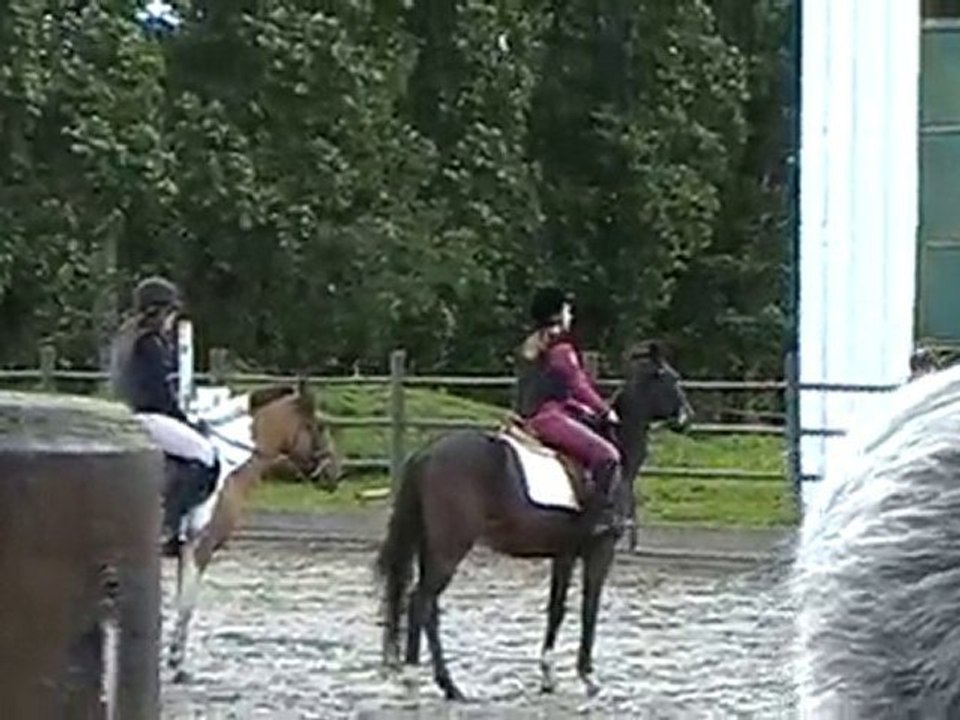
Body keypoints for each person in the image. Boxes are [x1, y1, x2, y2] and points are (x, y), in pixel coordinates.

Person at [110, 275, 219, 546]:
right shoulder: (150, 343)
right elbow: (160, 395)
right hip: (148, 417)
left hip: (130, 414)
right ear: (159, 311)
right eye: (170, 313)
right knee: (207, 456)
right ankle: (168, 525)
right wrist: (187, 423)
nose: (172, 320)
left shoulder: (128, 337)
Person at [514, 286, 623, 535]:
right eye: (567, 310)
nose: (570, 316)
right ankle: (598, 519)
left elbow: (553, 388)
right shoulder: (561, 349)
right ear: (557, 314)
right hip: (549, 417)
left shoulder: (531, 344)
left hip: (530, 413)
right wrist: (605, 411)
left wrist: (580, 408)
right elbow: (578, 384)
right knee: (608, 456)